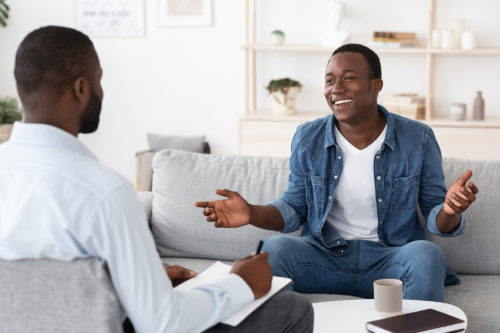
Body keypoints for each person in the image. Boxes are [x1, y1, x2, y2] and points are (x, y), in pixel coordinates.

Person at [0, 26, 313, 333]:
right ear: (81, 88)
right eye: (99, 81)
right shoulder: (104, 192)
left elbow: (46, 292)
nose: (101, 92)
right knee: (292, 309)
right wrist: (240, 284)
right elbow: (164, 323)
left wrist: (144, 279)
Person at [196, 43, 478, 302]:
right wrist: (251, 213)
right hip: (324, 259)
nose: (336, 88)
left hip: (389, 263)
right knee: (276, 249)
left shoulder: (418, 138)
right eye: (330, 80)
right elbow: (295, 207)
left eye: (349, 77)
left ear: (375, 85)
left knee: (426, 254)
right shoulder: (308, 137)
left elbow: (436, 218)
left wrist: (451, 210)